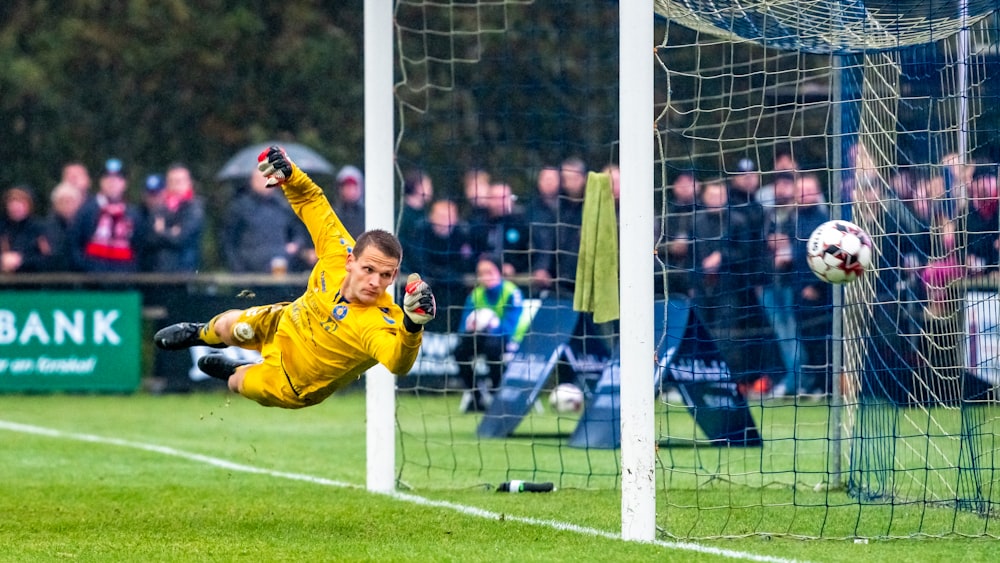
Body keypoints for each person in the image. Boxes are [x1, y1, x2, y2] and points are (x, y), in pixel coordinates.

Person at [154, 146, 437, 408]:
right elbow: (313, 201)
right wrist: (289, 173)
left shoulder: (379, 321)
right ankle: (198, 333)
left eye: (386, 275)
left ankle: (234, 371)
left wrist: (412, 327)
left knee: (240, 383)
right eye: (369, 270)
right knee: (229, 325)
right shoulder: (337, 251)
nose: (375, 281)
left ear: (394, 276)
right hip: (284, 321)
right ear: (351, 260)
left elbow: (398, 362)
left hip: (291, 381)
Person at [455, 255, 527, 412]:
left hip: (509, 339)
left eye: (489, 271)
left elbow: (510, 327)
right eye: (481, 273)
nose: (485, 276)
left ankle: (496, 394)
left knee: (492, 348)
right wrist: (471, 326)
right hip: (482, 337)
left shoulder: (511, 292)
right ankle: (476, 396)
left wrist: (491, 326)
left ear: (499, 272)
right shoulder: (475, 295)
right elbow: (463, 326)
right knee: (459, 351)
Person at [223, 165, 308, 273]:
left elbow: (297, 232)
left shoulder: (282, 206)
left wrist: (295, 245)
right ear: (252, 181)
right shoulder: (240, 207)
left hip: (280, 268)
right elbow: (229, 240)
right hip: (249, 271)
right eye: (261, 179)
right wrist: (237, 267)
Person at [408, 198, 476, 330]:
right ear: (431, 216)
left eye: (448, 217)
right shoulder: (420, 232)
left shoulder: (463, 235)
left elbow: (465, 264)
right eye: (440, 216)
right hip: (426, 293)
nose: (444, 221)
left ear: (456, 219)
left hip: (455, 294)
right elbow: (416, 261)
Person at [68, 158, 143, 272]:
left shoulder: (133, 213)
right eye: (108, 179)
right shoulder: (87, 209)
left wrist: (130, 270)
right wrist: (86, 268)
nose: (112, 183)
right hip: (92, 280)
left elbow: (139, 247)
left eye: (117, 179)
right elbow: (74, 243)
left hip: (123, 279)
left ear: (124, 184)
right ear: (101, 182)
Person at [141, 164, 205, 272]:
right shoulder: (160, 207)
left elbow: (181, 239)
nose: (175, 186)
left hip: (184, 272)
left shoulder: (194, 208)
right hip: (158, 271)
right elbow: (149, 238)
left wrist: (161, 231)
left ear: (189, 183)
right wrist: (172, 232)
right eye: (172, 181)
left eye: (179, 181)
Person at [468, 181, 532, 279]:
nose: (500, 202)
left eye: (504, 197)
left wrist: (514, 267)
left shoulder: (521, 224)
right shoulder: (477, 225)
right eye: (495, 198)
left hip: (515, 280)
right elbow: (469, 253)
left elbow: (529, 254)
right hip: (481, 279)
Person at [0, 186, 53, 273]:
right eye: (12, 203)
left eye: (21, 203)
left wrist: (21, 261)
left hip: (32, 282)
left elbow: (48, 259)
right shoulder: (2, 228)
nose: (16, 207)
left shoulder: (39, 229)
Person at [398, 168, 433, 274]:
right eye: (428, 185)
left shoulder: (428, 214)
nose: (431, 189)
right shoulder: (401, 214)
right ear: (418, 187)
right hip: (405, 272)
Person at [44, 182, 86, 271]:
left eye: (71, 201)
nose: (67, 205)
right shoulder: (46, 228)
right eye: (62, 201)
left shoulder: (87, 226)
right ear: (55, 205)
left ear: (80, 203)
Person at [334, 165, 365, 237]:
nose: (349, 190)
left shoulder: (367, 214)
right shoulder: (334, 214)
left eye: (353, 186)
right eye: (346, 186)